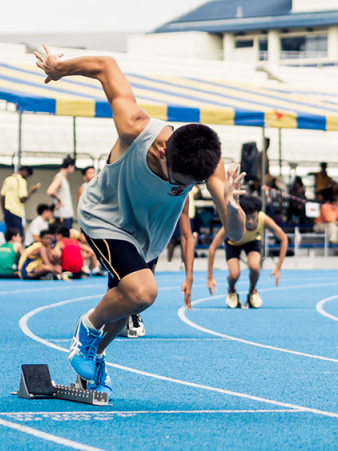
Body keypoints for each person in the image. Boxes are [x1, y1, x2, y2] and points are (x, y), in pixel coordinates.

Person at [35, 45, 246, 400]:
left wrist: (231, 204)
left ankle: (95, 356)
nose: (184, 188)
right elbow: (105, 65)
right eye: (179, 182)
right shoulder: (135, 127)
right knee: (143, 291)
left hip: (147, 235)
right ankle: (86, 328)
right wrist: (60, 68)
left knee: (127, 301)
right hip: (103, 216)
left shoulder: (207, 163)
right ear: (164, 150)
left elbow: (236, 234)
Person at [207, 196, 287, 309]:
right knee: (234, 274)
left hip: (252, 242)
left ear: (258, 214)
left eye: (253, 217)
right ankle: (231, 289)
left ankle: (252, 291)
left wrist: (278, 268)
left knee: (255, 267)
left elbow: (284, 238)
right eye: (247, 218)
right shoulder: (233, 221)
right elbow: (212, 248)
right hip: (233, 244)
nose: (250, 221)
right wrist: (210, 277)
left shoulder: (264, 220)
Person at [1, 166, 39, 236]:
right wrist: (31, 191)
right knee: (19, 235)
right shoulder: (21, 181)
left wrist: (4, 212)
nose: (27, 178)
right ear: (25, 172)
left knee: (10, 236)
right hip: (16, 212)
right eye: (27, 175)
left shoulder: (8, 179)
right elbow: (22, 199)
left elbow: (2, 197)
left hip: (7, 212)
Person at [47, 155, 76, 228]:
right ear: (70, 166)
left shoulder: (63, 178)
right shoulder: (59, 178)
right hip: (63, 214)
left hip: (66, 214)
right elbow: (50, 191)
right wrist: (59, 200)